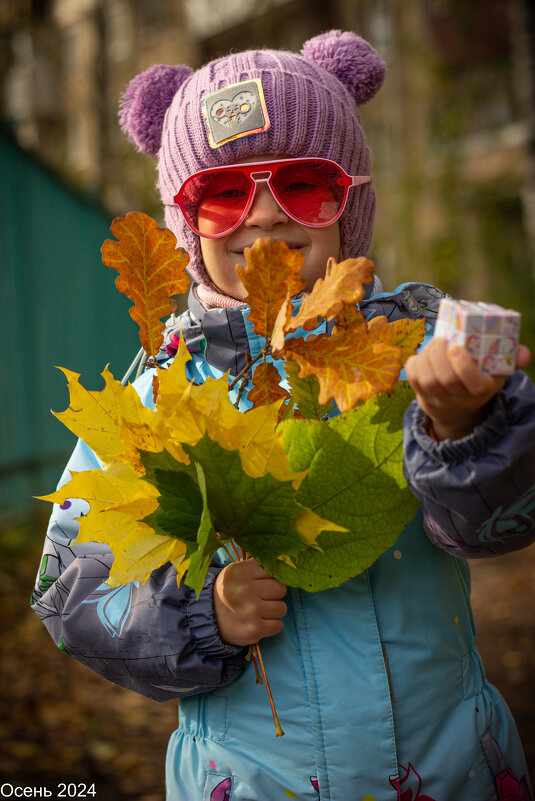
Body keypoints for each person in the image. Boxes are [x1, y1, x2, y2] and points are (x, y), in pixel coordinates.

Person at [31, 30, 535, 801]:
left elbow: (496, 524)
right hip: (252, 781)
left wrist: (463, 427)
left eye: (304, 183)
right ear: (184, 220)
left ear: (351, 202)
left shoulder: (409, 353)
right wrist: (201, 615)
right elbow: (72, 591)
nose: (264, 216)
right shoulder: (155, 399)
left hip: (451, 767)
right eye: (223, 194)